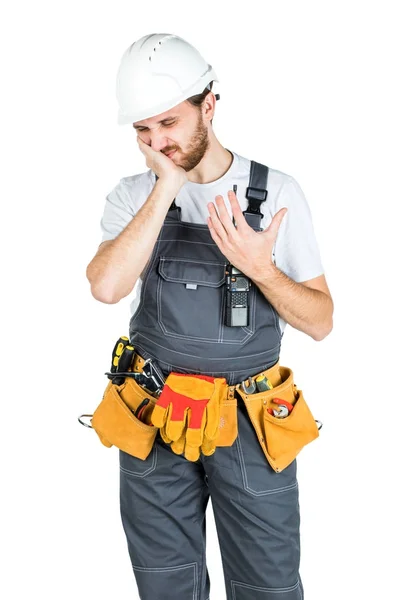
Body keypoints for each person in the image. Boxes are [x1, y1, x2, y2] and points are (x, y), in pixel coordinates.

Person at [86, 32, 333, 600]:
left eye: (168, 124)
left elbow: (321, 322)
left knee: (268, 586)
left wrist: (262, 269)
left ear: (209, 105)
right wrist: (165, 187)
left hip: (252, 419)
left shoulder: (274, 194)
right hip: (154, 413)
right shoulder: (133, 196)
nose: (157, 142)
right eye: (143, 131)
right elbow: (106, 287)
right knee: (166, 587)